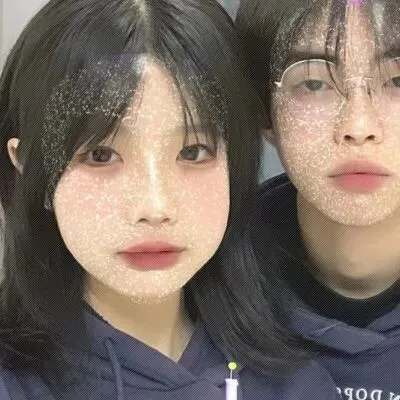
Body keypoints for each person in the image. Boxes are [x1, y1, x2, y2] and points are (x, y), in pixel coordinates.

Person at [0, 0, 340, 399]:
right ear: (31, 171)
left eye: (193, 152)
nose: (155, 207)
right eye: (101, 155)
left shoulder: (295, 386)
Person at [236, 0, 400, 398]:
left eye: (397, 81)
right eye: (313, 83)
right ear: (263, 112)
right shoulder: (198, 292)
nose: (358, 126)